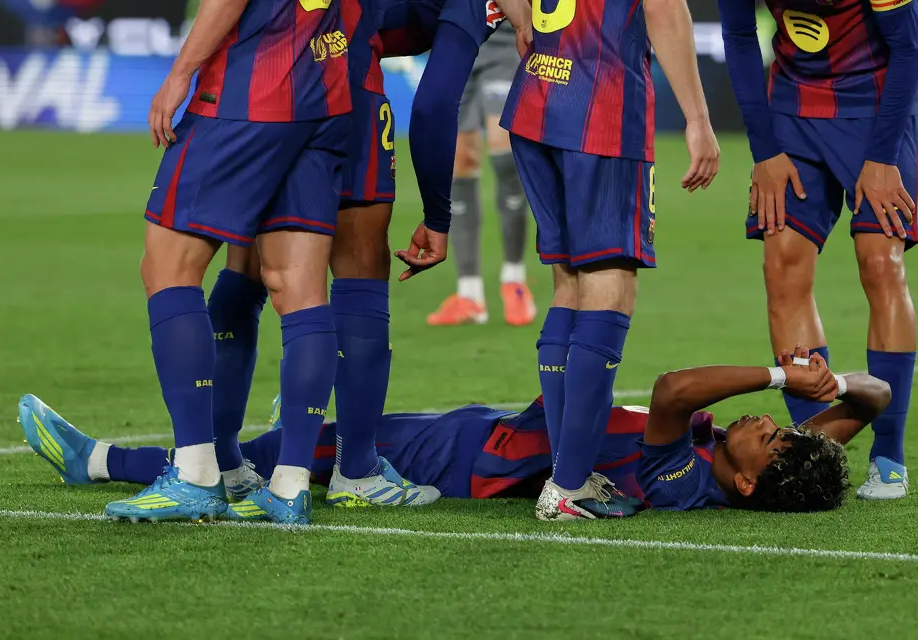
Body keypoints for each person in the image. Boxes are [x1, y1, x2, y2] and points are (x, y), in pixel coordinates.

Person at [18, 346, 889, 515]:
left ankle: (98, 461)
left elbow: (669, 386)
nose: (769, 426)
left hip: (465, 455)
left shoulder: (678, 470)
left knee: (282, 447)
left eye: (771, 439)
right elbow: (874, 400)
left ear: (744, 482)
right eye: (782, 426)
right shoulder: (740, 472)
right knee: (293, 443)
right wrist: (838, 387)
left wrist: (782, 373)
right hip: (485, 437)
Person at [119, 0, 352, 524]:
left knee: (167, 264)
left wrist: (180, 73)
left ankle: (196, 472)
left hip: (252, 86)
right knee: (298, 285)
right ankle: (290, 487)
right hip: (326, 91)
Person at [205, 0, 442, 515]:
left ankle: (221, 463)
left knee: (244, 263)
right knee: (360, 265)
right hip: (347, 80)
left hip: (263, 84)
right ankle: (356, 468)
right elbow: (409, 19)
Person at [498, 0, 721, 520]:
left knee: (569, 285)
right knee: (609, 284)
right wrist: (697, 119)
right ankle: (568, 486)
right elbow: (664, 9)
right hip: (601, 109)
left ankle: (566, 472)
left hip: (535, 98)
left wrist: (522, 19)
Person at [719, 0, 918, 499]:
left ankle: (888, 455)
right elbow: (740, 38)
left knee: (880, 262)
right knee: (782, 267)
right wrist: (764, 150)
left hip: (878, 107)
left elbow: (910, 44)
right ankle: (816, 447)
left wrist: (881, 158)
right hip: (792, 109)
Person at [426, 22, 536, 327]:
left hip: (504, 37)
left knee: (505, 154)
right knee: (459, 160)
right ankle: (469, 293)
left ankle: (514, 280)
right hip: (457, 41)